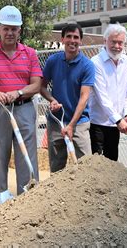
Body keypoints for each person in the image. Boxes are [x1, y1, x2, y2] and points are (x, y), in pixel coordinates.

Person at [0, 5, 42, 195]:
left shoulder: (29, 53)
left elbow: (36, 85)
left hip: (24, 109)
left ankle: (28, 199)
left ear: (19, 30)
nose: (10, 32)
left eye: (14, 29)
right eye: (6, 28)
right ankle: (0, 198)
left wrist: (18, 92)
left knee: (27, 156)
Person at [40, 23, 95, 172]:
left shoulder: (87, 66)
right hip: (56, 122)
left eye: (76, 37)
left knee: (86, 166)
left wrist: (71, 125)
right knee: (56, 168)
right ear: (62, 39)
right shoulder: (53, 61)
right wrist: (52, 100)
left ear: (81, 41)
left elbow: (84, 98)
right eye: (69, 37)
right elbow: (42, 86)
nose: (72, 40)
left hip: (79, 123)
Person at [89, 23, 127, 161]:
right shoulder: (96, 62)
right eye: (113, 42)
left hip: (116, 124)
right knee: (96, 165)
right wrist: (118, 119)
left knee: (112, 164)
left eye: (120, 42)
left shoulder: (126, 62)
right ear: (105, 41)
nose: (117, 46)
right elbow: (101, 95)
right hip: (97, 123)